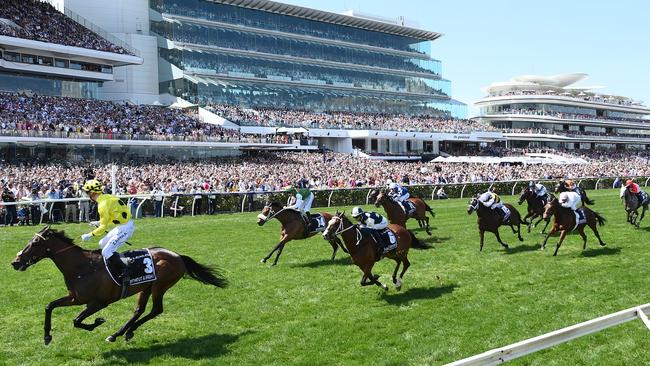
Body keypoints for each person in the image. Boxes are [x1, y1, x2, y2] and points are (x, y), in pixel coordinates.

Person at [80, 179, 133, 292]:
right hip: (122, 226)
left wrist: (89, 234)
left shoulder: (102, 205)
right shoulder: (106, 197)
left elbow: (103, 229)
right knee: (102, 244)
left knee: (106, 251)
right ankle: (116, 261)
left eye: (87, 192)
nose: (87, 194)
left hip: (125, 228)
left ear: (93, 193)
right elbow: (113, 217)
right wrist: (98, 223)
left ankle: (126, 270)